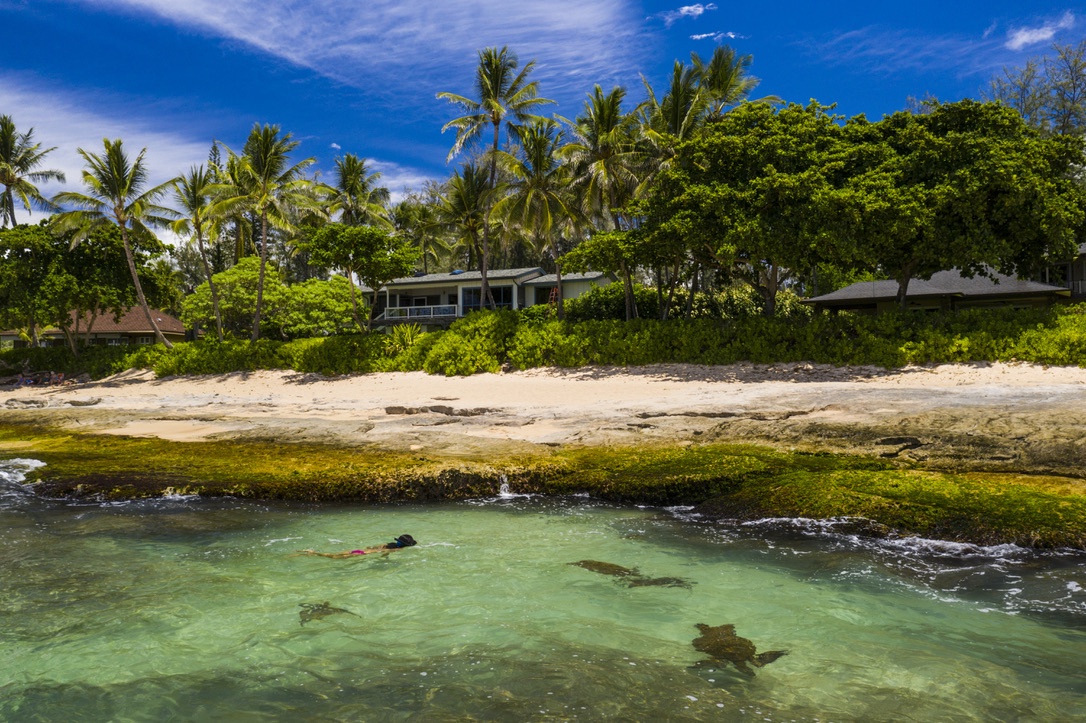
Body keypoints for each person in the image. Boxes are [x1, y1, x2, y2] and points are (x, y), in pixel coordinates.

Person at [295, 534, 417, 558]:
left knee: (334, 555)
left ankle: (308, 552)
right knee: (332, 557)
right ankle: (311, 552)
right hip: (361, 554)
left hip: (360, 550)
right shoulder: (396, 549)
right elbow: (384, 554)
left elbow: (373, 547)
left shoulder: (390, 544)